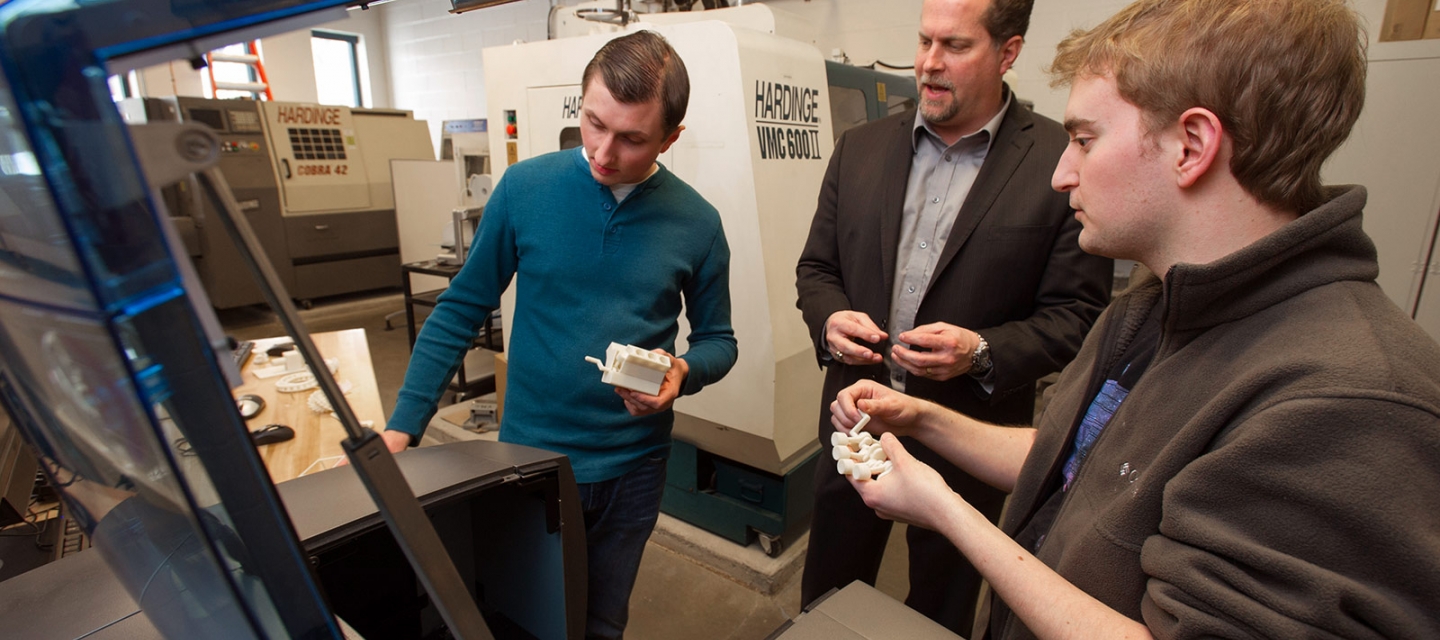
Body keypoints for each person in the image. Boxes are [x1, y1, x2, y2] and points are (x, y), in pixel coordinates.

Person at [830, 0, 1440, 637]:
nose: (1063, 173)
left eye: (1086, 140)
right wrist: (924, 418)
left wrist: (949, 511)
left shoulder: (1352, 405)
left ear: (1192, 146)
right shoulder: (1156, 309)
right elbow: (1085, 460)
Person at [381, 31, 738, 639]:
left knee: (600, 620)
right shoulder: (525, 189)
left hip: (635, 466)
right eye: (593, 123)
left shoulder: (697, 223)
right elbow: (460, 308)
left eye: (631, 139)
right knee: (522, 614)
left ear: (670, 139)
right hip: (529, 457)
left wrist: (682, 372)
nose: (602, 151)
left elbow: (719, 342)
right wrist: (403, 425)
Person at [794, 0, 1112, 632]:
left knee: (942, 606)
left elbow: (1077, 316)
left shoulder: (1058, 160)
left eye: (955, 46)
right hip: (854, 420)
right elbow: (817, 271)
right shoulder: (860, 148)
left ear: (1008, 52)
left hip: (973, 440)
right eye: (924, 41)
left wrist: (982, 352)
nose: (929, 65)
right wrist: (830, 323)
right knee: (829, 593)